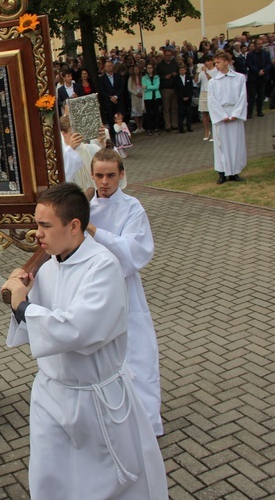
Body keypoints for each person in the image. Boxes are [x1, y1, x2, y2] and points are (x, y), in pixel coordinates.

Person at [1, 182, 168, 499]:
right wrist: (20, 291)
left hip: (96, 398)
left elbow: (77, 330)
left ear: (74, 226)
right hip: (51, 397)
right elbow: (34, 322)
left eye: (45, 226)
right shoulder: (49, 266)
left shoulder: (102, 267)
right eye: (37, 224)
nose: (37, 234)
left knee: (106, 484)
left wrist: (22, 305)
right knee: (51, 479)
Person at [85, 148, 163, 436]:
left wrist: (94, 231)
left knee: (138, 351)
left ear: (121, 175)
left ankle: (146, 420)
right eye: (99, 175)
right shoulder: (83, 207)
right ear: (91, 175)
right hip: (93, 288)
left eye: (111, 175)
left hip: (124, 285)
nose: (104, 182)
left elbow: (135, 252)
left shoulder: (132, 208)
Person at [209, 51, 248, 184]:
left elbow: (243, 96)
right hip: (221, 114)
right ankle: (222, 172)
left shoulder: (239, 78)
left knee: (235, 143)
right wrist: (222, 115)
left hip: (235, 113)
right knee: (221, 145)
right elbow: (212, 100)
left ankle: (235, 172)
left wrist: (236, 114)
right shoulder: (213, 81)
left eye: (218, 62)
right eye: (215, 63)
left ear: (226, 62)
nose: (216, 65)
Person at [245, 39, 272, 118]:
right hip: (253, 77)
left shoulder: (266, 54)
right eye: (258, 44)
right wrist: (257, 71)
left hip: (263, 77)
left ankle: (259, 111)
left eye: (261, 44)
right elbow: (249, 64)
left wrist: (264, 71)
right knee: (252, 96)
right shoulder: (250, 54)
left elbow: (269, 63)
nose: (260, 45)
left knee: (261, 95)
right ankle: (249, 112)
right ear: (255, 45)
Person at [157, 49, 180, 131]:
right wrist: (164, 77)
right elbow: (157, 76)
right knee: (166, 108)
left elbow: (179, 73)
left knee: (174, 108)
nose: (168, 57)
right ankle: (168, 125)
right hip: (165, 88)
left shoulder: (175, 64)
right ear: (164, 55)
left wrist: (176, 74)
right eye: (166, 55)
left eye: (169, 55)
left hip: (174, 88)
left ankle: (175, 124)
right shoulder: (160, 65)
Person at [196, 55, 217, 141]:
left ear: (212, 61)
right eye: (206, 61)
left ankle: (214, 133)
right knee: (205, 113)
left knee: (212, 114)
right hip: (203, 92)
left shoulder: (216, 70)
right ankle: (207, 132)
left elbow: (212, 80)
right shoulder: (202, 71)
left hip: (212, 92)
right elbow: (196, 81)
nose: (207, 63)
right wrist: (198, 72)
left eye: (209, 61)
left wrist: (206, 73)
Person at [174, 64, 194, 133]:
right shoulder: (176, 79)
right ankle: (181, 128)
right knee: (181, 113)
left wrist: (188, 96)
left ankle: (189, 127)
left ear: (185, 71)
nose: (182, 71)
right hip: (180, 99)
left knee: (189, 113)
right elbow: (176, 90)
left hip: (188, 98)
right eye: (180, 70)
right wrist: (182, 97)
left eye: (183, 70)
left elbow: (191, 88)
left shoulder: (189, 78)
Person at [142, 64, 161, 135]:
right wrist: (150, 87)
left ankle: (157, 128)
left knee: (156, 113)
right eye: (148, 68)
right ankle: (149, 128)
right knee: (148, 114)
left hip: (156, 97)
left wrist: (147, 87)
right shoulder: (144, 78)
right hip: (148, 98)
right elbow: (144, 88)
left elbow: (157, 86)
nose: (149, 69)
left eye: (151, 68)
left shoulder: (157, 77)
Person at [127, 65, 145, 133]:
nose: (136, 71)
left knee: (142, 111)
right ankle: (138, 127)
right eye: (135, 69)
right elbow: (129, 88)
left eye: (137, 69)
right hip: (135, 96)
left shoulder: (142, 77)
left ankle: (141, 126)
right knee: (135, 112)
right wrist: (136, 93)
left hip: (142, 95)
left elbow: (144, 85)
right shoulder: (131, 78)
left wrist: (142, 93)